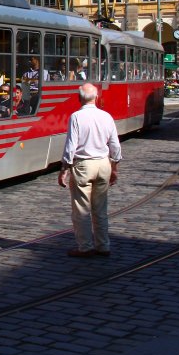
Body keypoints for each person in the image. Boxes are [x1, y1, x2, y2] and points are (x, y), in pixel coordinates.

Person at [58, 83, 122, 258]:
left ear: (79, 98)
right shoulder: (106, 116)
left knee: (82, 210)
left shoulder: (76, 117)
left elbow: (71, 146)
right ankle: (103, 246)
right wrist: (114, 167)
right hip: (103, 164)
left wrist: (64, 169)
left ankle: (85, 247)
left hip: (84, 165)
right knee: (100, 209)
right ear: (96, 97)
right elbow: (115, 145)